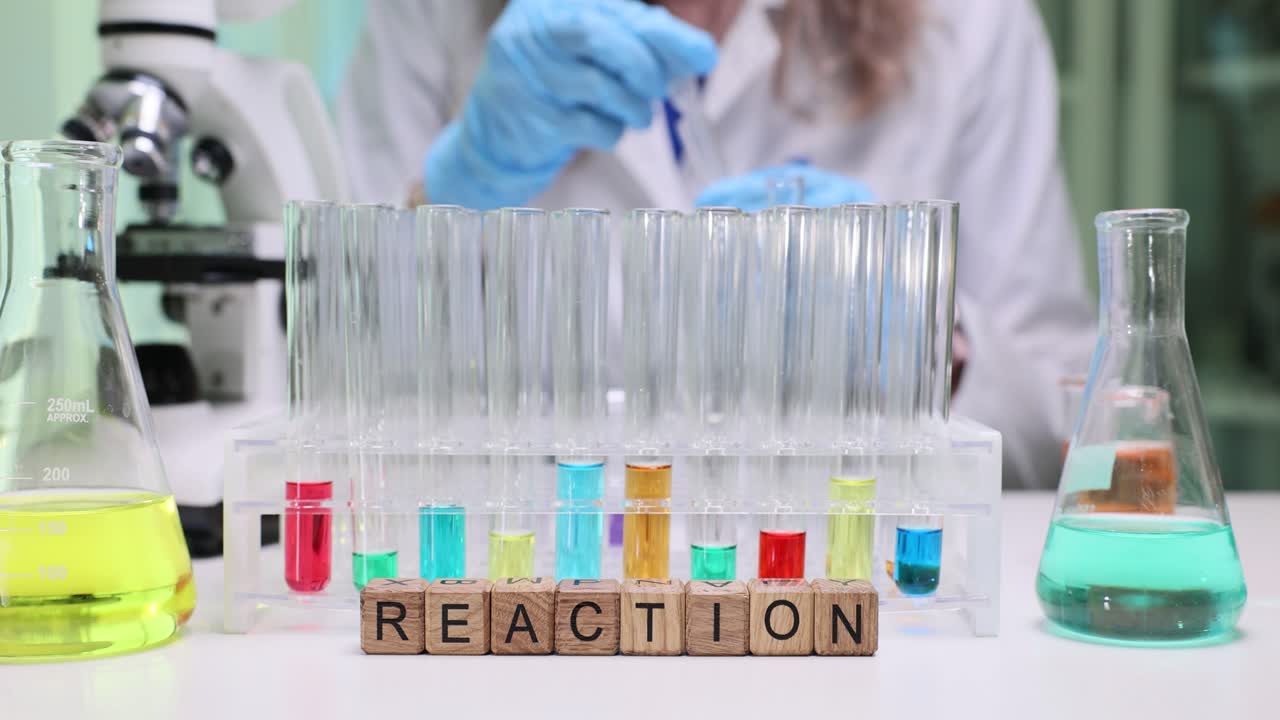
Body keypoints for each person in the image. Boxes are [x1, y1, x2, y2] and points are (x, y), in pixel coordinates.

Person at [335, 0, 1095, 488]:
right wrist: (452, 189)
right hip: (514, 578)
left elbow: (1066, 433)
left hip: (858, 592)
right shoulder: (429, 13)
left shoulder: (970, 23)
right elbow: (323, 380)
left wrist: (925, 333)